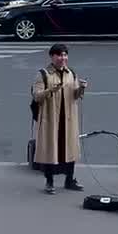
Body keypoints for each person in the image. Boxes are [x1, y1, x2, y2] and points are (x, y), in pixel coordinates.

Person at [30, 44, 87, 194]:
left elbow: (75, 95)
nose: (63, 58)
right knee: (51, 150)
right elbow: (36, 96)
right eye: (60, 55)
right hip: (51, 119)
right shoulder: (43, 74)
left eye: (65, 55)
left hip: (68, 119)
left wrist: (81, 88)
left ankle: (70, 180)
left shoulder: (71, 73)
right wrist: (51, 90)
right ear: (52, 57)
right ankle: (49, 182)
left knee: (70, 150)